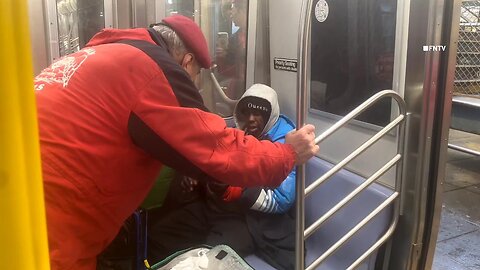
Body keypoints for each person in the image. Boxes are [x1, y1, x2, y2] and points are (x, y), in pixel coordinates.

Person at [34, 14, 318, 270]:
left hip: (23, 189)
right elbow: (217, 148)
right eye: (195, 77)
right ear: (187, 62)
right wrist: (287, 153)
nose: (193, 84)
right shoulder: (150, 69)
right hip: (54, 215)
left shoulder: (94, 54)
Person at [148, 84, 297, 270]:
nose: (251, 119)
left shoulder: (285, 142)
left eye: (259, 114)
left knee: (212, 261)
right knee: (159, 234)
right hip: (214, 207)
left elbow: (282, 199)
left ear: (271, 115)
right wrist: (194, 175)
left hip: (248, 220)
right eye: (246, 111)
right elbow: (213, 160)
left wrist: (234, 190)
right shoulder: (235, 131)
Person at [215, 0, 248, 100]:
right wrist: (222, 55)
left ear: (242, 11)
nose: (231, 16)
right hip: (239, 85)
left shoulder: (259, 37)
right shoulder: (234, 38)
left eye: (233, 12)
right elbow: (227, 67)